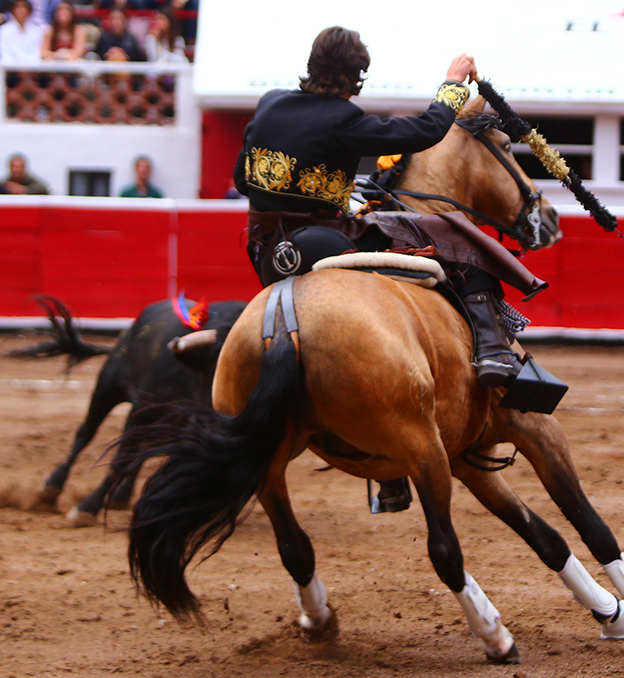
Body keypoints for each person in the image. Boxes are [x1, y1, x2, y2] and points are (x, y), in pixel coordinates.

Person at [233, 27, 549, 514]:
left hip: (265, 254)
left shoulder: (270, 103)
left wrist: (320, 185)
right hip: (321, 245)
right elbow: (427, 131)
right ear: (356, 78)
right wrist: (453, 83)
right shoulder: (345, 119)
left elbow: (242, 178)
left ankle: (390, 476)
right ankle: (494, 355)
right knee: (449, 240)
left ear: (311, 66)